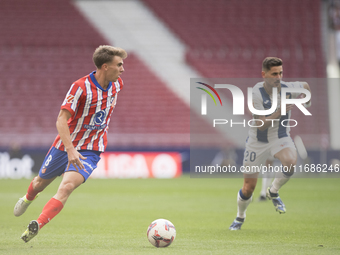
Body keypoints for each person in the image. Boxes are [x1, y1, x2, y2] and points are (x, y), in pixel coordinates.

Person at [14, 45, 127, 242]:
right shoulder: (80, 87)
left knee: (66, 187)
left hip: (91, 149)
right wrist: (70, 148)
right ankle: (28, 198)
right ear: (105, 66)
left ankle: (36, 225)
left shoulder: (118, 84)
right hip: (65, 145)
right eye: (119, 65)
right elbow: (61, 120)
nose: (122, 69)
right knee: (39, 183)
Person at [229, 57, 311, 230]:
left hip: (280, 137)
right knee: (248, 188)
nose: (278, 77)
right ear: (264, 75)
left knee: (290, 161)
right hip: (257, 141)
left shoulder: (288, 88)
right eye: (274, 74)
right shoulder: (256, 94)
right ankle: (240, 216)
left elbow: (305, 86)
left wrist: (307, 101)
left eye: (281, 73)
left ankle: (273, 191)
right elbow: (260, 124)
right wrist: (279, 111)